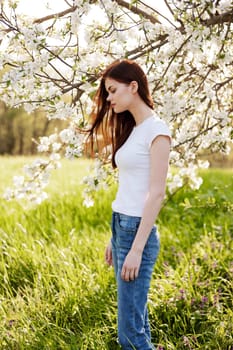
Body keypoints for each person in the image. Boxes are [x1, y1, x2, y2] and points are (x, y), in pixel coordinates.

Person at [86, 59, 171, 350]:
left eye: (112, 90)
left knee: (129, 336)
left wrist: (135, 249)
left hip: (138, 233)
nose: (108, 98)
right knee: (137, 322)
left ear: (133, 87)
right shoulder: (134, 128)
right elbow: (128, 187)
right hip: (121, 225)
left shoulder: (157, 130)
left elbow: (156, 194)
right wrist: (114, 237)